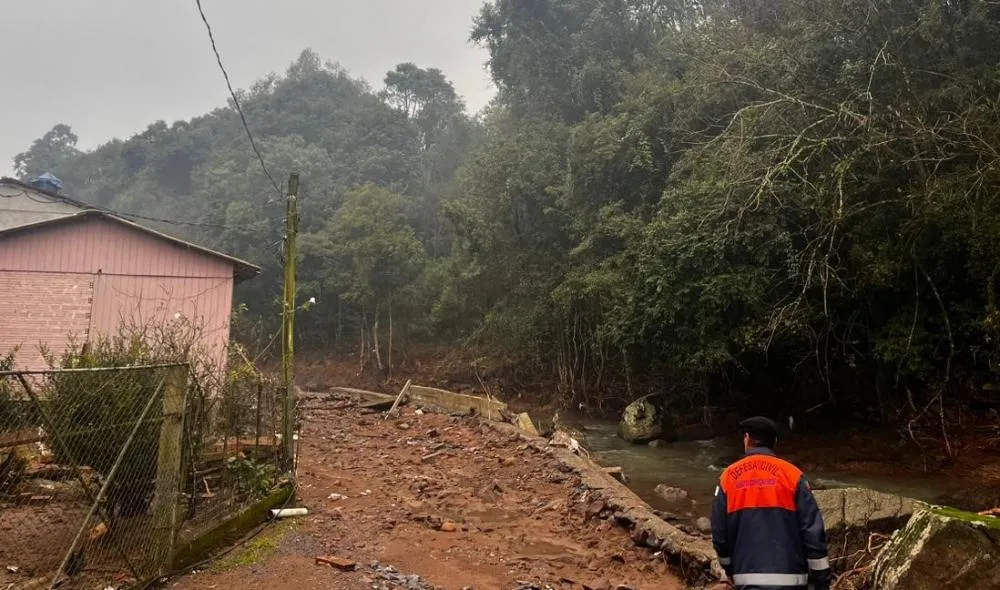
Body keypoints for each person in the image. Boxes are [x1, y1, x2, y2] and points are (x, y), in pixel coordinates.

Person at [710, 416, 831, 590]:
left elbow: (719, 534)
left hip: (746, 580)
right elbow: (812, 532)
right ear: (774, 442)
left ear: (746, 439)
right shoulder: (793, 475)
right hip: (793, 581)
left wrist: (729, 569)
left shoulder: (728, 478)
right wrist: (821, 580)